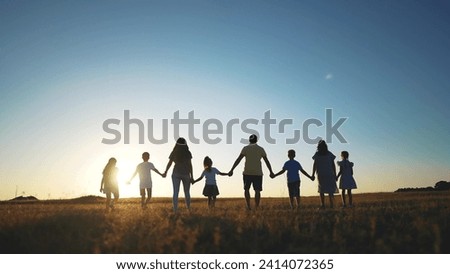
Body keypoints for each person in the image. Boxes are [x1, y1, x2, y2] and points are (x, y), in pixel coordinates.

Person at [229, 134, 275, 210]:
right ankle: (257, 207)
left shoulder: (245, 148)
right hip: (258, 173)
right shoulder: (261, 149)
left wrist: (232, 170)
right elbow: (267, 161)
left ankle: (248, 206)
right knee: (257, 190)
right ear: (256, 140)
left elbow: (238, 159)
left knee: (246, 189)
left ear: (249, 140)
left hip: (247, 172)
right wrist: (271, 172)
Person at [163, 138, 194, 212]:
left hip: (176, 173)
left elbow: (170, 163)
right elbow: (190, 165)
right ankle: (188, 209)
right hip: (186, 173)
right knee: (187, 192)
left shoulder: (174, 152)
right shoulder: (188, 152)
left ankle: (175, 210)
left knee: (175, 192)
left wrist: (166, 172)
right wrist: (192, 176)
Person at [312, 140, 338, 209]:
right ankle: (331, 205)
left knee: (321, 190)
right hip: (329, 173)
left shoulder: (317, 154)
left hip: (321, 174)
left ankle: (322, 205)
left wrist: (313, 174)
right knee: (330, 190)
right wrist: (335, 174)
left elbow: (314, 165)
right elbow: (333, 165)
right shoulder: (329, 154)